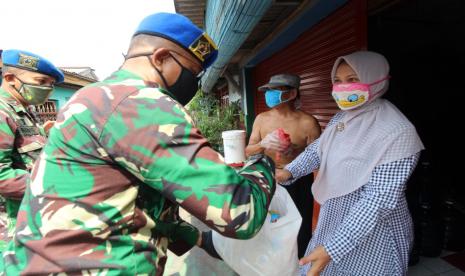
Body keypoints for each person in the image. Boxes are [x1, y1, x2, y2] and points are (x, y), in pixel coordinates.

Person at [1, 13, 276, 275]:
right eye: (192, 72)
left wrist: (199, 240)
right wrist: (265, 161)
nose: (194, 83)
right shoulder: (140, 103)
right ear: (161, 58)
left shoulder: (92, 97)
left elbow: (136, 196)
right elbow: (241, 212)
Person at [276, 51, 424, 276]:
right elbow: (318, 149)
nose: (343, 87)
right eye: (337, 81)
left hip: (375, 232)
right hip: (334, 218)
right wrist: (288, 172)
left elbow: (378, 200)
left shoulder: (398, 131)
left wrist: (333, 248)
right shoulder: (341, 118)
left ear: (376, 79)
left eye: (352, 79)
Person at [245, 73, 321, 258]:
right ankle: (272, 261)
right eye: (268, 90)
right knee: (270, 223)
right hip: (268, 179)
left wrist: (293, 152)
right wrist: (263, 144)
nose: (270, 94)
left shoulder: (308, 123)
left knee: (300, 227)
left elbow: (319, 159)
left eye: (276, 90)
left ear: (292, 94)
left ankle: (300, 263)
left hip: (298, 182)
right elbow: (248, 151)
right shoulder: (261, 119)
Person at [0, 49, 63, 251]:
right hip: (9, 226)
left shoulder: (26, 111)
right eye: (41, 81)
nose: (48, 89)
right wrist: (54, 184)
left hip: (30, 217)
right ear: (10, 79)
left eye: (51, 84)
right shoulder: (2, 112)